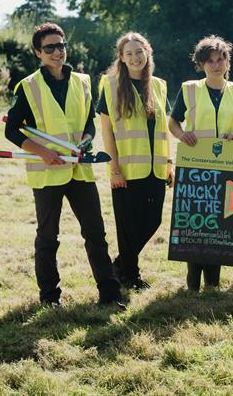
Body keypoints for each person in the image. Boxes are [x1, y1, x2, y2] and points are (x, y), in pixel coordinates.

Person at [4, 22, 122, 307]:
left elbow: (88, 124)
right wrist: (42, 152)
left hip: (79, 169)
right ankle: (49, 298)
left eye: (61, 46)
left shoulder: (82, 81)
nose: (58, 52)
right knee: (48, 237)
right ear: (38, 53)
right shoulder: (29, 86)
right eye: (50, 48)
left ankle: (109, 294)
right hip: (47, 173)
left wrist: (86, 138)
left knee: (95, 233)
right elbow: (11, 130)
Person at [169, 35, 233, 292]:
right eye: (210, 61)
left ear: (227, 62)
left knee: (220, 223)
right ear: (201, 64)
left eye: (221, 60)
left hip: (229, 165)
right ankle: (192, 283)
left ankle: (212, 283)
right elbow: (173, 122)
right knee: (196, 223)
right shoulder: (189, 89)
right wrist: (181, 134)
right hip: (196, 164)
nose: (216, 65)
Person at [97, 32, 173, 290]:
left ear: (147, 52)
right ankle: (130, 275)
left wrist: (170, 163)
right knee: (128, 227)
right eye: (128, 53)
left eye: (139, 52)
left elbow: (163, 128)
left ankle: (119, 265)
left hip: (157, 168)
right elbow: (106, 131)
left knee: (153, 221)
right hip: (127, 170)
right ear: (121, 58)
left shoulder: (160, 85)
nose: (135, 57)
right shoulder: (110, 85)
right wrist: (114, 169)